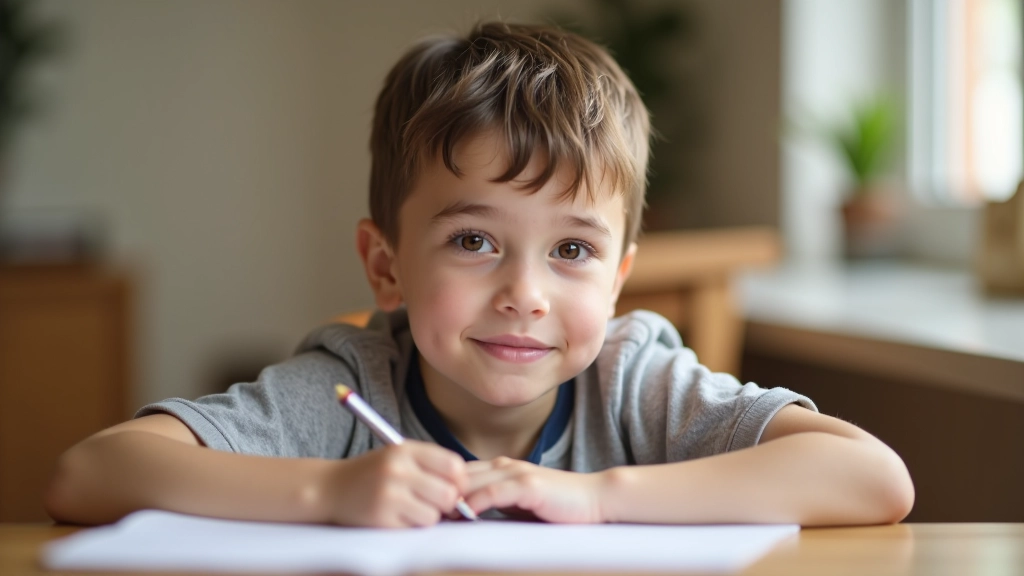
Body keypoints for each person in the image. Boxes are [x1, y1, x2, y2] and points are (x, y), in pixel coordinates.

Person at [45, 21, 914, 529]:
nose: (525, 294)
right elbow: (89, 474)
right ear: (385, 266)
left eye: (573, 250)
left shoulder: (634, 381)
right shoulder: (349, 386)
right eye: (473, 242)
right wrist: (326, 489)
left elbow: (875, 480)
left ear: (617, 283)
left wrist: (601, 498)